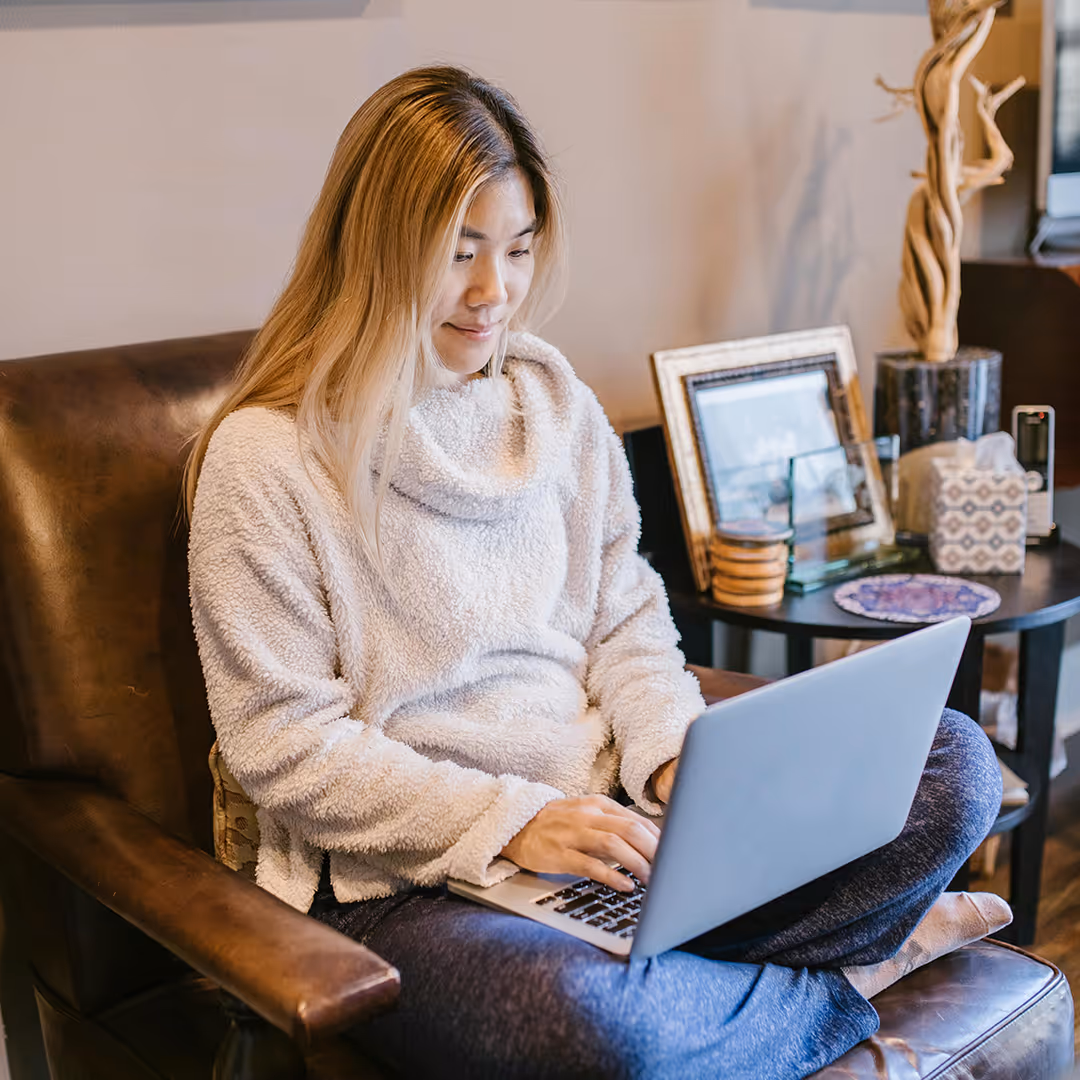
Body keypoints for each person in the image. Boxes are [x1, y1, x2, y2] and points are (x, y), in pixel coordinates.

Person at [186, 65, 1007, 1079]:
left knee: (951, 764)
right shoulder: (266, 459)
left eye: (519, 249)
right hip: (404, 881)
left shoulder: (555, 406)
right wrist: (518, 821)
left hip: (617, 824)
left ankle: (698, 979)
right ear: (377, 247)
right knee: (587, 1032)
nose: (495, 293)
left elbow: (627, 623)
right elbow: (283, 745)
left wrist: (672, 760)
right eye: (460, 253)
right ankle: (847, 979)